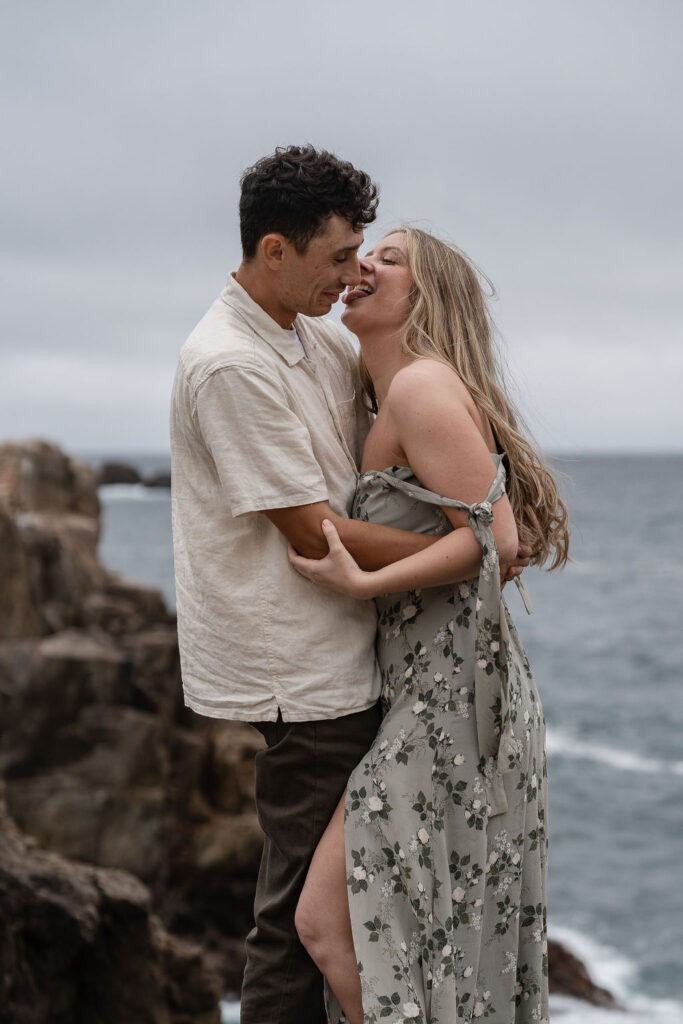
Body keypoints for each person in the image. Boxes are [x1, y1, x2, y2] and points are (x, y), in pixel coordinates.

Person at [170, 147, 531, 1024]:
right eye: (339, 257)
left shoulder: (319, 340)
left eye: (367, 255)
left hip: (374, 663)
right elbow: (311, 531)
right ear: (274, 251)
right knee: (302, 920)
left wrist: (476, 529)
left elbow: (440, 486)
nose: (351, 273)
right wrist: (473, 537)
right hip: (304, 671)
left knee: (341, 912)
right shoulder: (232, 364)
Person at [289, 227, 569, 1024]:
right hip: (442, 696)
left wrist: (364, 576)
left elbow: (496, 539)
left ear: (427, 293)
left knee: (329, 923)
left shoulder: (419, 388)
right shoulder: (392, 395)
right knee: (424, 933)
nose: (360, 267)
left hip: (454, 701)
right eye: (359, 254)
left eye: (387, 258)